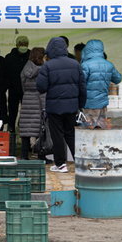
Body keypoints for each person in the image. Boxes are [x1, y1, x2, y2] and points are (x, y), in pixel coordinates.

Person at [36, 37, 85, 173]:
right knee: (71, 134)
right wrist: (80, 105)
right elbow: (82, 87)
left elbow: (41, 87)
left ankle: (60, 164)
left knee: (57, 136)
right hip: (72, 106)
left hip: (54, 106)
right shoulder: (75, 64)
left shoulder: (48, 65)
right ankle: (80, 163)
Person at [80, 39, 121, 129]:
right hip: (103, 104)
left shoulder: (85, 65)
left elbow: (80, 83)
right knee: (101, 129)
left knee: (87, 130)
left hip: (88, 104)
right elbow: (118, 79)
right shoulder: (109, 65)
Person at [18, 47, 46, 159]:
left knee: (26, 128)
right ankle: (41, 155)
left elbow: (22, 84)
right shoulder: (44, 69)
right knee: (41, 128)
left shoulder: (26, 68)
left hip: (27, 99)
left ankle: (24, 155)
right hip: (40, 99)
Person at [2, 36, 30, 135]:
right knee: (12, 112)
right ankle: (11, 131)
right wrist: (7, 85)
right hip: (13, 89)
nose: (23, 46)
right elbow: (5, 74)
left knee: (27, 112)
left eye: (25, 44)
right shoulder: (9, 57)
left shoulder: (31, 57)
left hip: (27, 90)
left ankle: (25, 133)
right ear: (17, 45)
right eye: (21, 44)